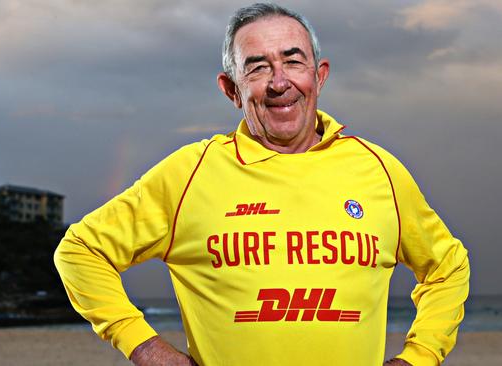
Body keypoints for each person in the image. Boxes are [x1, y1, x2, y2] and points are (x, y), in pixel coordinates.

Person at [54, 3, 469, 366]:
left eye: (293, 61)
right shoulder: (190, 173)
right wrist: (144, 347)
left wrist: (419, 356)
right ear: (232, 89)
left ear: (319, 76)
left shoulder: (380, 170)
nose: (278, 82)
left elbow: (447, 266)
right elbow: (80, 252)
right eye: (257, 67)